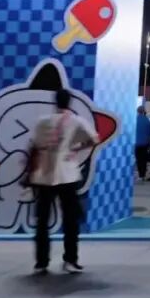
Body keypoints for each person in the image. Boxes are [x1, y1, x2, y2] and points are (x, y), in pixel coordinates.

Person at [28, 88, 100, 273]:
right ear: (70, 102)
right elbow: (95, 139)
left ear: (55, 102)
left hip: (44, 174)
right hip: (67, 173)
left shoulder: (43, 121)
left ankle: (41, 261)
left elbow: (35, 143)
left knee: (42, 220)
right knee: (70, 219)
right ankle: (70, 259)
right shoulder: (76, 121)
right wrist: (76, 147)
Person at [134, 106, 150, 181]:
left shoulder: (135, 120)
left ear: (137, 111)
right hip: (145, 143)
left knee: (138, 159)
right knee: (144, 159)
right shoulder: (148, 120)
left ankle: (140, 175)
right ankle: (143, 175)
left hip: (137, 143)